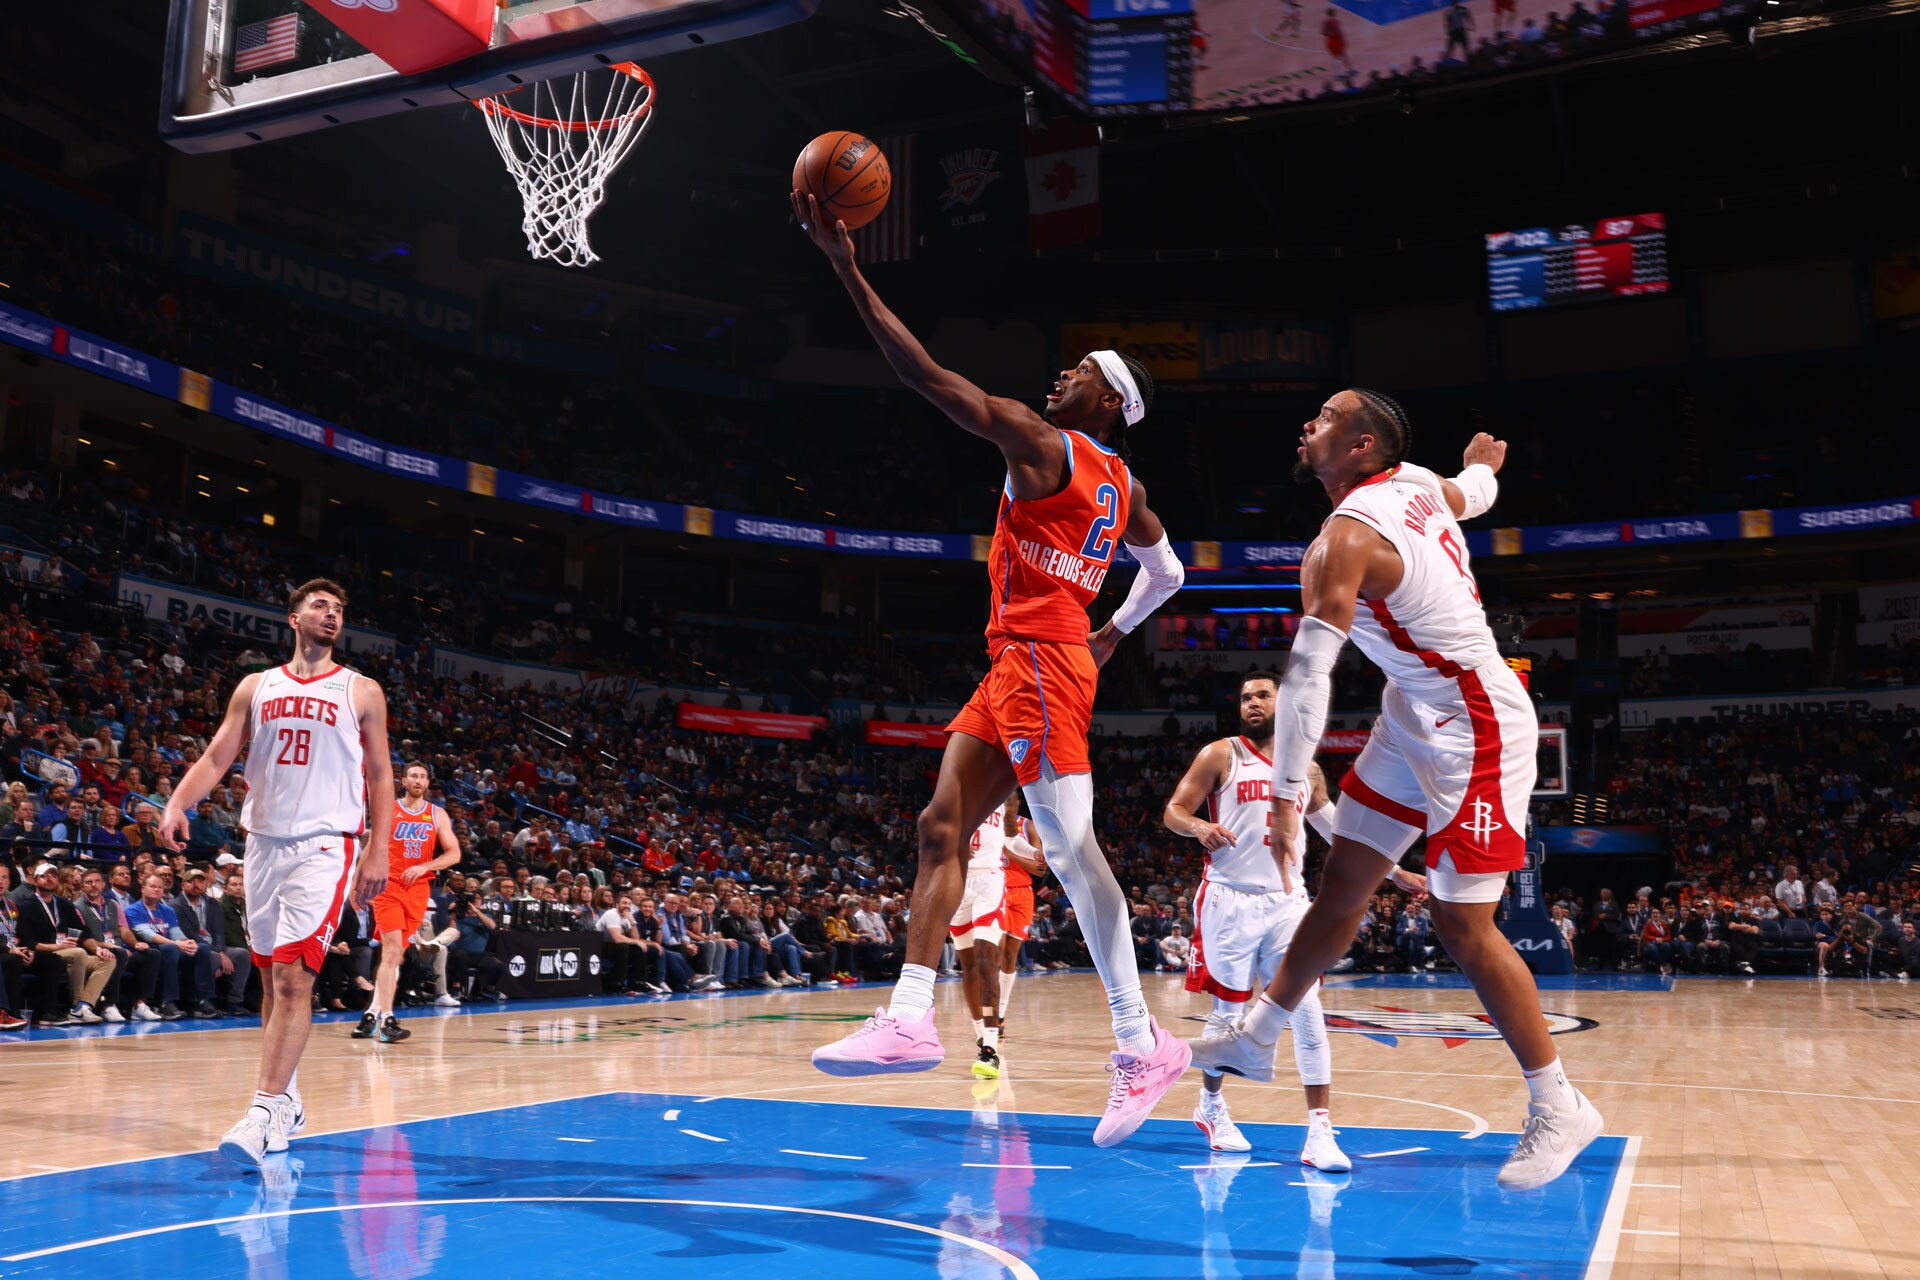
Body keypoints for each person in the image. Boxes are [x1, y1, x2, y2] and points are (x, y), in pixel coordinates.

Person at [795, 194, 1191, 1145]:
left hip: (1043, 666)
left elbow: (926, 377)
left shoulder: (1040, 440)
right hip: (1032, 658)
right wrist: (1111, 631)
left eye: (1082, 371)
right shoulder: (1125, 488)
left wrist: (846, 266)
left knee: (1070, 851)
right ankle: (908, 1015)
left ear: (1108, 404)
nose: (1063, 373)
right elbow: (1171, 570)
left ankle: (1141, 1043)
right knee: (941, 827)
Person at [1189, 395, 1603, 1191]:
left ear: (1361, 444)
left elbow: (1308, 677)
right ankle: (1258, 1033)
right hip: (1412, 711)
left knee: (1459, 922)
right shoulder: (1414, 479)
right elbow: (1467, 493)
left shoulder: (1341, 541)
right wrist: (1483, 467)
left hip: (1478, 722)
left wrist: (1282, 793)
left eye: (1326, 415)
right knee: (1343, 881)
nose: (1308, 422)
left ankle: (1559, 1104)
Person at [158, 579, 395, 1167]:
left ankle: (262, 1109)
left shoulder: (360, 690)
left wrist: (378, 848)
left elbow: (382, 775)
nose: (332, 614)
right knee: (269, 980)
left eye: (340, 609)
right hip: (262, 843)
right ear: (294, 619)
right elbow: (218, 754)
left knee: (294, 980)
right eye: (320, 606)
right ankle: (286, 1099)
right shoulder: (256, 686)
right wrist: (176, 804)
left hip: (326, 843)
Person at [1163, 678, 1348, 1169]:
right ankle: (1211, 1105)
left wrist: (1395, 870)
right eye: (1245, 696)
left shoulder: (1307, 768)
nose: (1252, 703)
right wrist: (1199, 825)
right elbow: (1173, 811)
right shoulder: (1221, 754)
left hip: (1287, 903)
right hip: (1230, 900)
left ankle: (1320, 1131)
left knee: (1306, 1010)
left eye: (1263, 695)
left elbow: (1338, 832)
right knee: (1229, 1018)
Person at [354, 762, 462, 1044]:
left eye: (423, 776)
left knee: (395, 956)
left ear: (428, 783)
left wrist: (425, 866)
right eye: (413, 775)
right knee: (390, 952)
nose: (418, 780)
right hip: (387, 885)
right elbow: (370, 849)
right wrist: (355, 886)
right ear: (404, 781)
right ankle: (388, 1021)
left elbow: (454, 854)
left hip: (417, 891)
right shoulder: (389, 808)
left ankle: (371, 1013)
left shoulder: (436, 814)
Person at [16, 861, 117, 1025]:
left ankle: (84, 1005)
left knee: (107, 959)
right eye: (44, 876)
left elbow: (83, 933)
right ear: (35, 880)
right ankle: (75, 1004)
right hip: (44, 953)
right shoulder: (26, 906)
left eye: (53, 876)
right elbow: (29, 943)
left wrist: (98, 949)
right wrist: (58, 946)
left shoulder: (63, 904)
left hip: (68, 953)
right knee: (78, 953)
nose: (49, 879)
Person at [997, 803, 1046, 1036]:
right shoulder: (986, 822)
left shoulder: (1028, 825)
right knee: (997, 953)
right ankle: (990, 1016)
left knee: (1010, 957)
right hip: (996, 890)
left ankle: (1000, 1015)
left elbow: (1039, 869)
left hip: (1023, 893)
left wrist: (1009, 853)